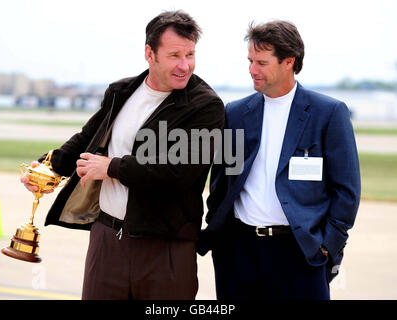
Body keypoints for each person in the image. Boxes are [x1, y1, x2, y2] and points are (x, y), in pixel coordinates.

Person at [21, 10, 224, 300]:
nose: (185, 65)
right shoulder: (122, 91)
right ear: (149, 53)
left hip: (166, 248)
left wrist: (112, 168)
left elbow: (178, 174)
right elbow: (86, 139)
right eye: (174, 55)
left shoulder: (205, 106)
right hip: (107, 239)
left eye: (190, 54)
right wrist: (45, 168)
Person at [197, 20, 361, 300]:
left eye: (261, 62)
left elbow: (347, 192)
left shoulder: (328, 113)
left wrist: (327, 246)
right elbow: (221, 183)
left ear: (289, 61)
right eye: (250, 60)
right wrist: (221, 235)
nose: (251, 69)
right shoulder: (236, 113)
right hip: (239, 253)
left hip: (300, 252)